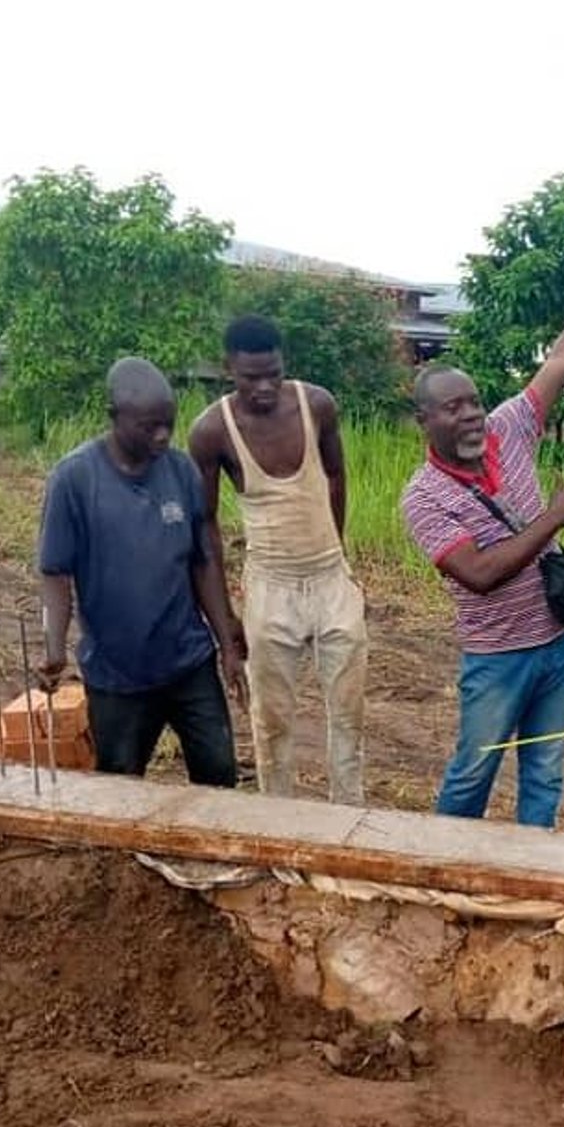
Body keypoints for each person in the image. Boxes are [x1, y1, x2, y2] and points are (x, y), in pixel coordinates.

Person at [401, 237, 564, 828]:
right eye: (453, 408)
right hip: (497, 656)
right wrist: (553, 518)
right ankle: (442, 863)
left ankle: (532, 866)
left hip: (561, 641)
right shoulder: (423, 497)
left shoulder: (508, 428)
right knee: (473, 772)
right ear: (424, 420)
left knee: (546, 771)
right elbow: (480, 575)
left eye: (474, 402)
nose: (470, 414)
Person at [37, 357, 243, 785]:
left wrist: (227, 644)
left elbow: (203, 561)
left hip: (188, 662)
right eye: (149, 427)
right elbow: (55, 572)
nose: (162, 435)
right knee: (120, 785)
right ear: (114, 417)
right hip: (117, 675)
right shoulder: (75, 480)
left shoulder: (181, 471)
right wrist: (54, 647)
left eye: (168, 423)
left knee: (219, 774)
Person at [189, 316, 366, 803]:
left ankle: (349, 815)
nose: (265, 387)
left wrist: (338, 555)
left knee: (349, 714)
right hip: (270, 586)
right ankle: (277, 817)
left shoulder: (317, 405)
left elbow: (335, 475)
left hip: (331, 578)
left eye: (274, 374)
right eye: (251, 378)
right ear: (228, 369)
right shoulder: (212, 431)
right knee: (271, 721)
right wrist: (227, 620)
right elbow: (205, 527)